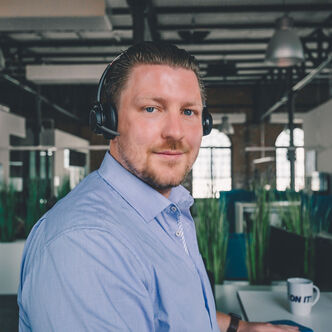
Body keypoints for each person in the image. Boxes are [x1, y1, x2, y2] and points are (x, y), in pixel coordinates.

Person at [18, 42, 298, 332]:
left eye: (189, 112)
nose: (175, 132)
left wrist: (239, 328)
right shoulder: (87, 246)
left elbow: (172, 312)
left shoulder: (169, 210)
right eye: (152, 108)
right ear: (108, 120)